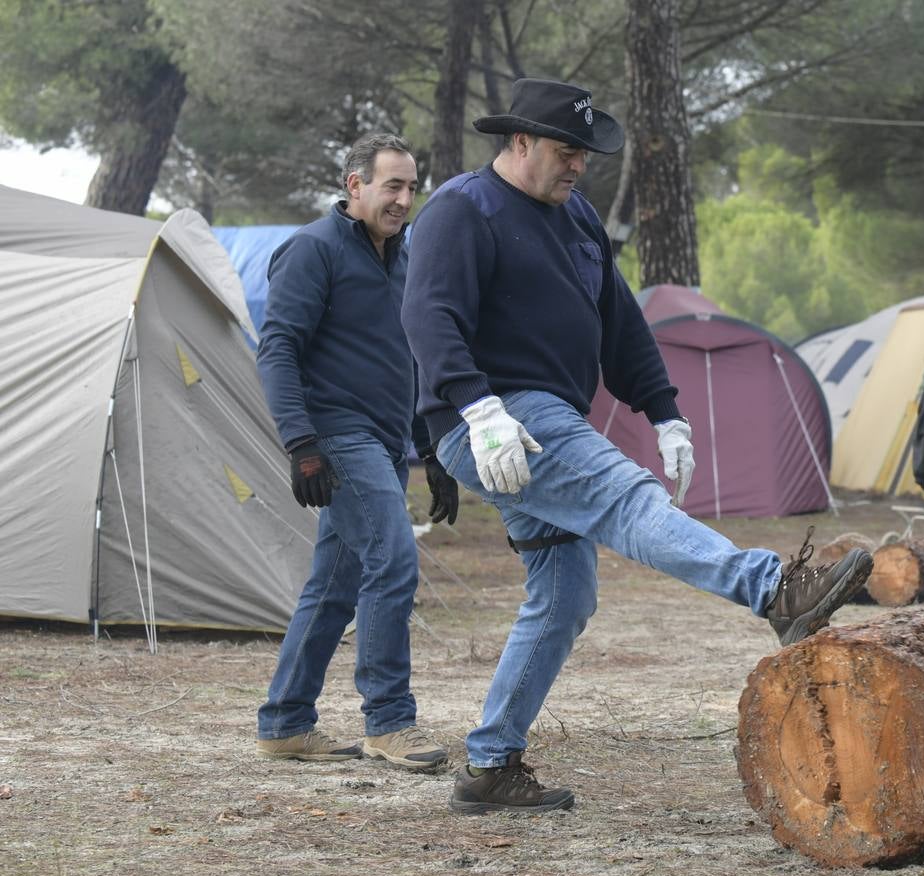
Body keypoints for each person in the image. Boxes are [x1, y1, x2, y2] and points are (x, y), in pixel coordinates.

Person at [401, 78, 873, 814]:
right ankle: (772, 589)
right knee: (626, 496)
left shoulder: (577, 218)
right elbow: (428, 317)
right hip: (492, 419)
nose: (579, 165)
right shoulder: (461, 211)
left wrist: (666, 411)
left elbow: (620, 322)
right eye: (567, 151)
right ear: (519, 141)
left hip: (545, 415)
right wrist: (478, 407)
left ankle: (490, 765)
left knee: (563, 596)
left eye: (585, 154)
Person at [254, 133, 459, 771]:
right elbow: (278, 347)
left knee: (334, 584)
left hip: (387, 440)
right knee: (394, 558)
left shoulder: (404, 260)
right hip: (336, 435)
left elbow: (414, 361)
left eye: (410, 186)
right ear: (355, 185)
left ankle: (286, 720)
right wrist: (302, 443)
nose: (403, 198)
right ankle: (389, 720)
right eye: (391, 185)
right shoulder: (312, 250)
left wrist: (433, 453)